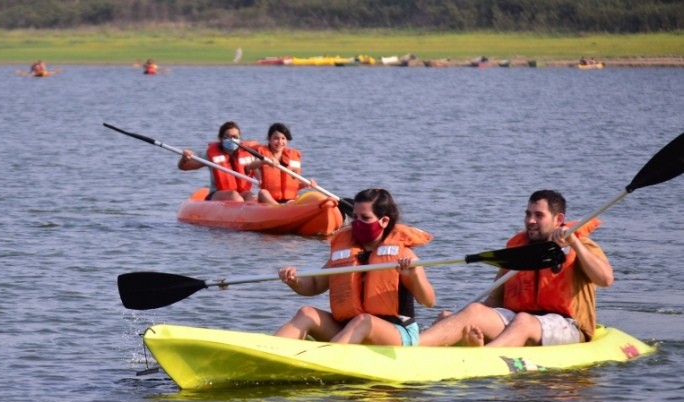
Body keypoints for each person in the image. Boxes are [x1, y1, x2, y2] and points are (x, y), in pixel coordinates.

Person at [418, 189, 613, 348]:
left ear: (558, 218)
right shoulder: (517, 250)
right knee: (474, 310)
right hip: (518, 319)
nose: (531, 221)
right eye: (528, 214)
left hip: (567, 325)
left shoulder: (583, 246)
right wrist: (458, 320)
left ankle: (482, 357)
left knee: (524, 321)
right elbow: (494, 300)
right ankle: (412, 347)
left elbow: (605, 279)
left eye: (539, 215)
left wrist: (575, 244)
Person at [274, 188, 436, 345]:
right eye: (355, 217)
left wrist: (413, 275)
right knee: (307, 313)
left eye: (365, 218)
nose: (358, 223)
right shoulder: (345, 252)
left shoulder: (404, 255)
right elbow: (315, 285)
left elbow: (428, 301)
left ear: (384, 221)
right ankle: (270, 350)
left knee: (363, 321)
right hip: (351, 328)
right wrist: (294, 281)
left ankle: (325, 358)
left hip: (397, 332)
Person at [177, 121, 258, 202]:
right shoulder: (210, 154)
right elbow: (184, 167)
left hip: (242, 193)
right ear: (220, 138)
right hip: (217, 194)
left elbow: (260, 174)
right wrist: (184, 158)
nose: (232, 140)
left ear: (240, 138)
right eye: (227, 137)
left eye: (235, 137)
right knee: (234, 196)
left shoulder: (249, 155)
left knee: (252, 197)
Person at [247, 123, 316, 205]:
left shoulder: (293, 155)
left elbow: (294, 186)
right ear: (269, 139)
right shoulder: (263, 154)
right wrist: (265, 161)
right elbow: (250, 166)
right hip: (268, 199)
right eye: (276, 138)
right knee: (263, 192)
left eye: (283, 138)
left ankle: (285, 208)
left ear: (286, 140)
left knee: (304, 198)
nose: (280, 142)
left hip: (288, 200)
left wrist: (305, 184)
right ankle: (278, 208)